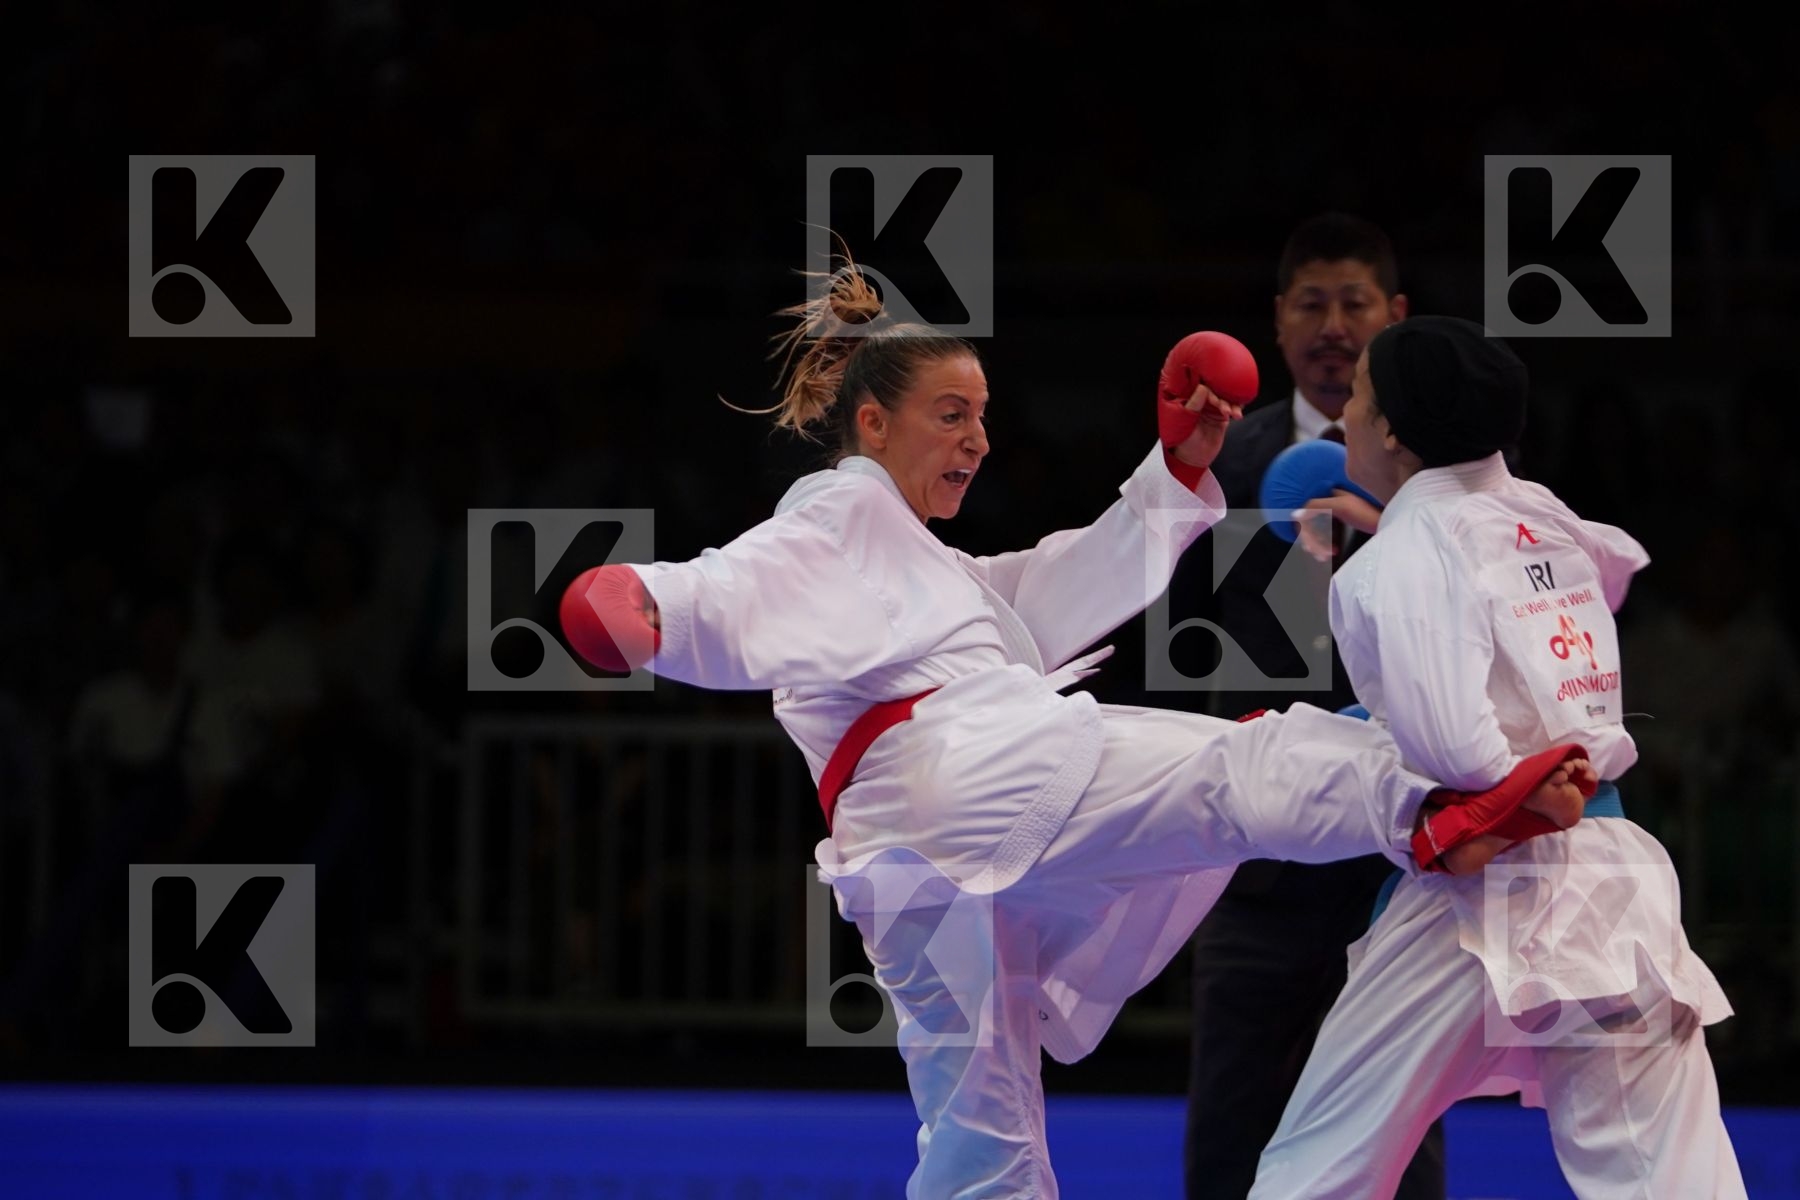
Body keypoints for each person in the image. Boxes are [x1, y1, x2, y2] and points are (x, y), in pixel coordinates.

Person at [560, 262, 1593, 1199]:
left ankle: (1432, 805)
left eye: (984, 415)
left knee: (983, 1150)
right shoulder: (839, 516)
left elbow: (1046, 587)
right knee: (1240, 764)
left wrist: (1176, 473)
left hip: (909, 870)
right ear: (871, 427)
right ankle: (1436, 803)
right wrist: (644, 604)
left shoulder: (925, 572)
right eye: (951, 415)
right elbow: (736, 583)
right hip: (972, 777)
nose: (979, 440)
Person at [1249, 317, 1746, 1199]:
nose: (1348, 418)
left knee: (1319, 1170)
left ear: (1395, 428)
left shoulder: (1396, 561)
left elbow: (1458, 755)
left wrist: (1370, 705)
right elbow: (1616, 567)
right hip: (1611, 881)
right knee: (1666, 1176)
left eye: (1360, 396)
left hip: (1477, 894)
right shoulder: (1543, 514)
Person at [1174, 213, 1446, 1200]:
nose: (1334, 326)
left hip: (1396, 864)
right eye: (1312, 304)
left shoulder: (1439, 472)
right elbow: (1174, 638)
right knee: (1230, 1133)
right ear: (1279, 321)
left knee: (1397, 1140)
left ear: (1396, 316)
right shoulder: (1218, 463)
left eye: (1355, 304)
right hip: (1254, 862)